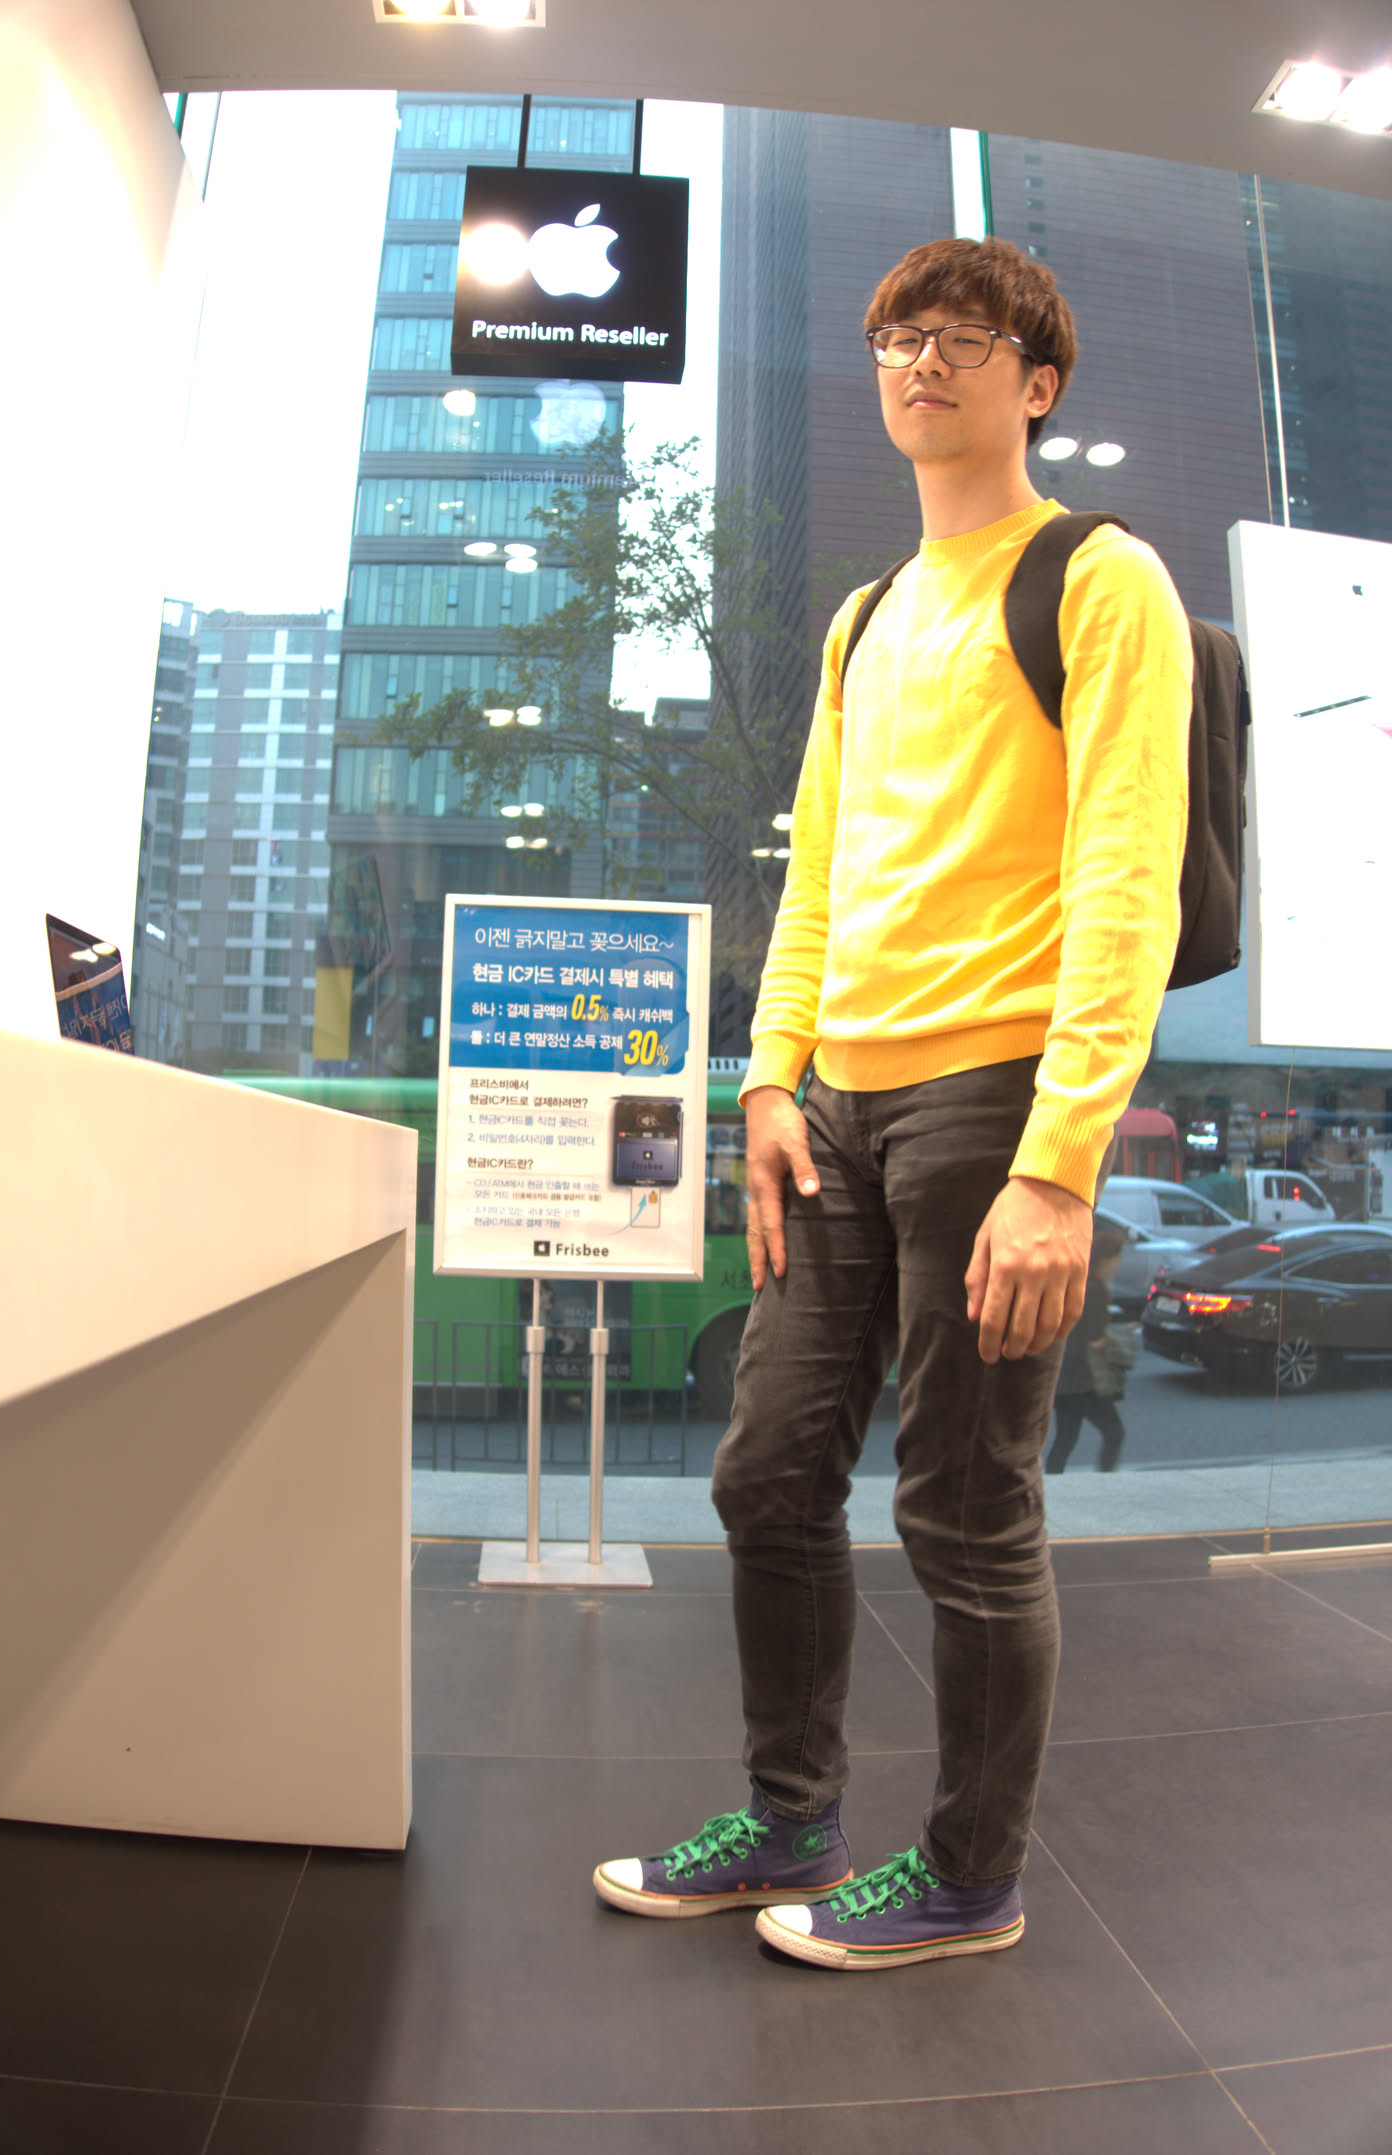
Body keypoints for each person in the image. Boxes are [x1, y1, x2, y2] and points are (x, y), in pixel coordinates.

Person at [594, 236, 1191, 1972]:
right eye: (896, 336)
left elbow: (1128, 877)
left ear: (1038, 381)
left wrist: (1063, 1165)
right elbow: (820, 876)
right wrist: (768, 1074)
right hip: (836, 1105)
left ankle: (969, 1877)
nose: (920, 359)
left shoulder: (1099, 579)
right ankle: (790, 1819)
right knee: (768, 1473)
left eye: (962, 336)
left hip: (993, 1100)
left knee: (965, 1506)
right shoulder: (867, 619)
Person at [1045, 1220, 1130, 1474]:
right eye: (1115, 1260)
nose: (1117, 1265)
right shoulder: (1096, 1291)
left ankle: (1052, 1482)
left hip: (1063, 1378)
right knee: (1114, 1433)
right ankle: (1105, 1481)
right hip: (1085, 1380)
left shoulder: (1075, 1283)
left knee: (1065, 1439)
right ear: (1104, 1261)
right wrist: (1122, 1335)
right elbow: (1096, 1339)